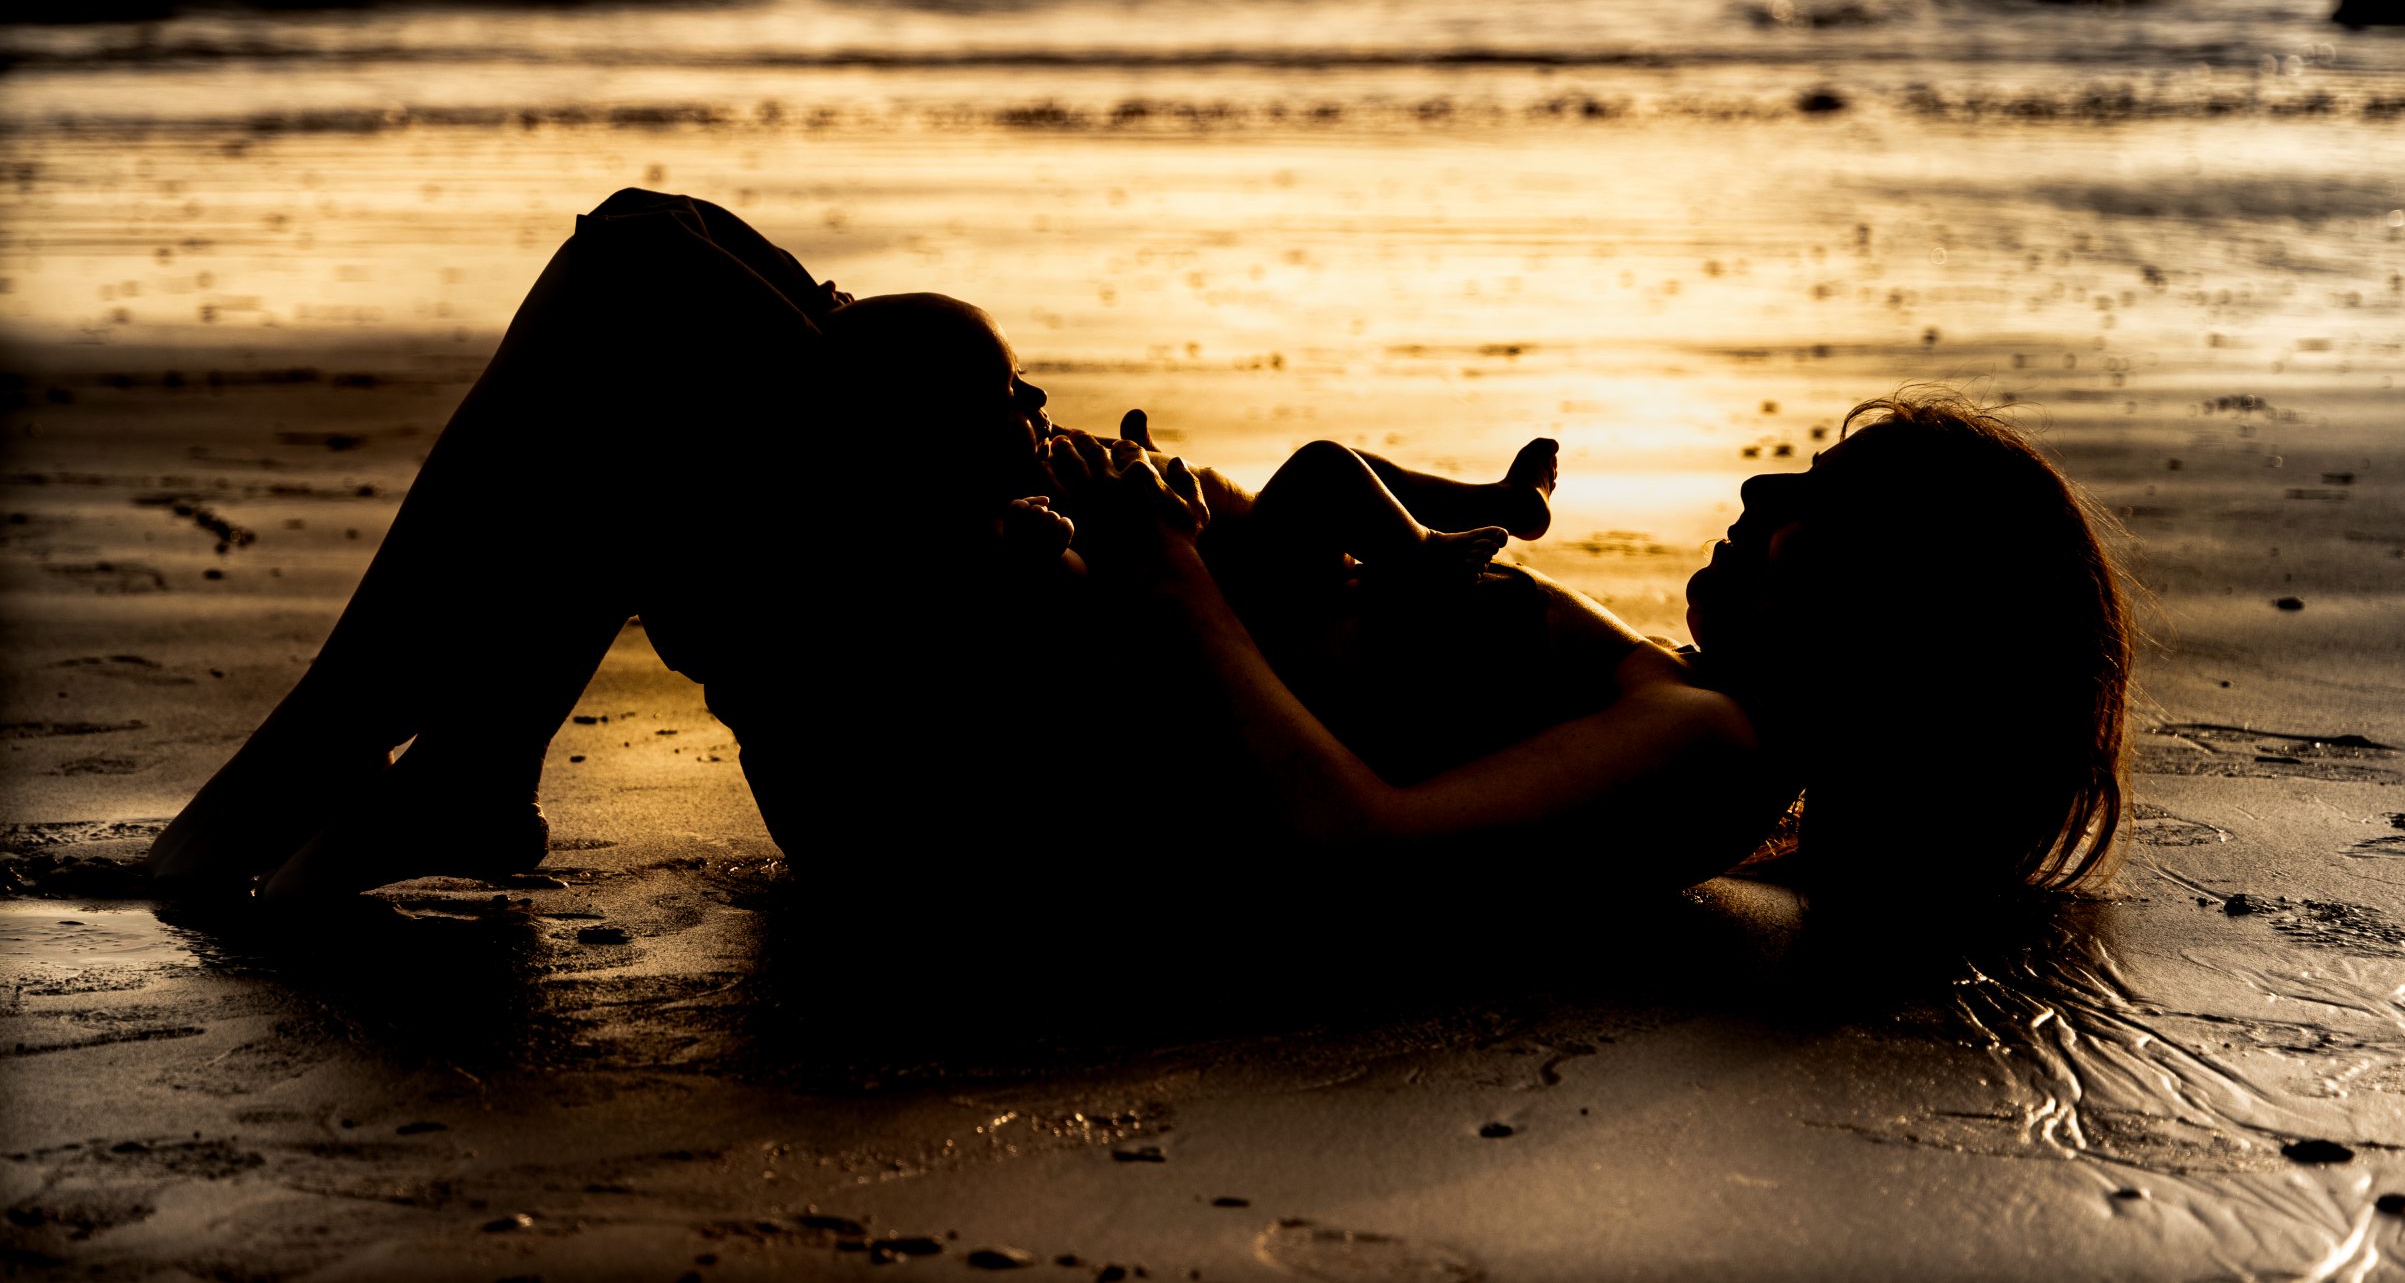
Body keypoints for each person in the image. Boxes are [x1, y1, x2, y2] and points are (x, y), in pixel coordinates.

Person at [147, 190, 2132, 918]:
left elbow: (1356, 845)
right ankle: (470, 770)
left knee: (651, 282)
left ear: (1885, 616)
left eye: (1809, 518)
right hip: (1025, 730)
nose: (1754, 509)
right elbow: (1356, 686)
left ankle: (299, 787)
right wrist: (1231, 532)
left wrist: (1172, 582)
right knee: (715, 307)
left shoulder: (1705, 750)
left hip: (977, 806)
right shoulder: (1679, 721)